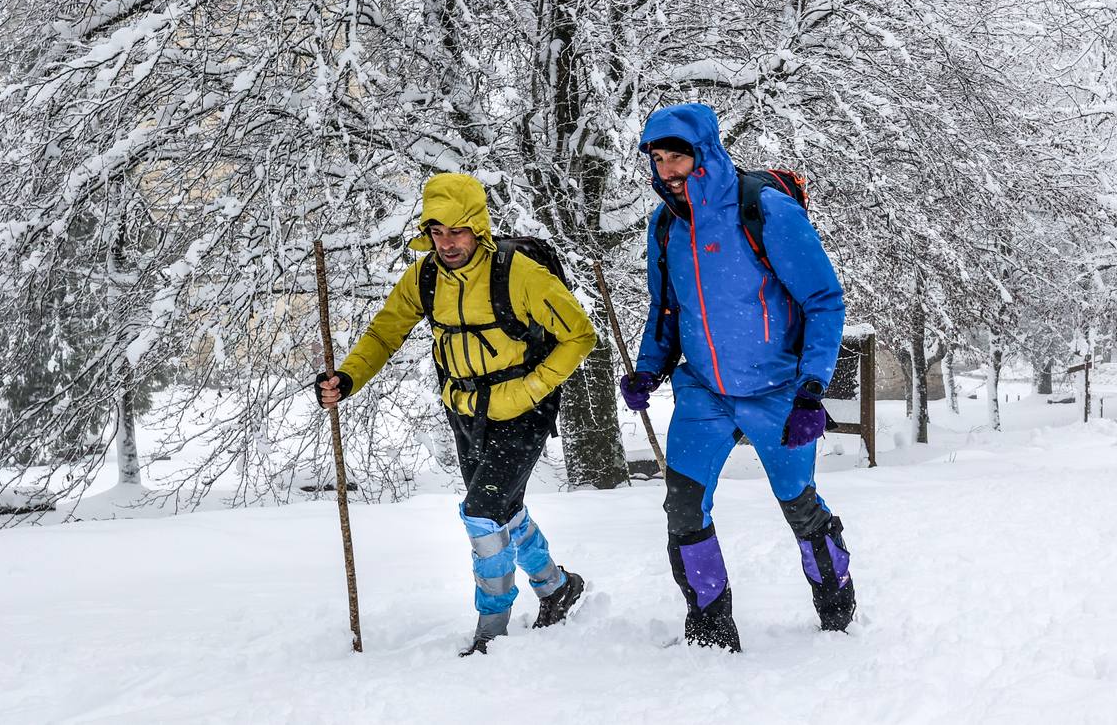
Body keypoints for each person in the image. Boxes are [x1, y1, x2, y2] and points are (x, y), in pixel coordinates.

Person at [314, 173, 597, 655]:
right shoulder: (424, 277)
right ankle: (556, 587)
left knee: (482, 512)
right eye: (437, 231)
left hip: (524, 409)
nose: (447, 243)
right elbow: (386, 333)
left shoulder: (519, 274)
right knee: (502, 510)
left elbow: (580, 335)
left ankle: (492, 628)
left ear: (479, 229)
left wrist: (531, 388)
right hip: (464, 409)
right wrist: (349, 377)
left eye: (458, 231)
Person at [619, 102, 855, 652]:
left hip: (776, 391)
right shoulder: (665, 226)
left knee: (799, 506)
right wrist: (649, 368)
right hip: (704, 392)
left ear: (703, 154)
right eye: (658, 160)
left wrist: (811, 390)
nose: (667, 170)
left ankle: (837, 610)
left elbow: (824, 300)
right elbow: (667, 310)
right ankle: (709, 627)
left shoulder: (764, 210)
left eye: (677, 157)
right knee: (682, 507)